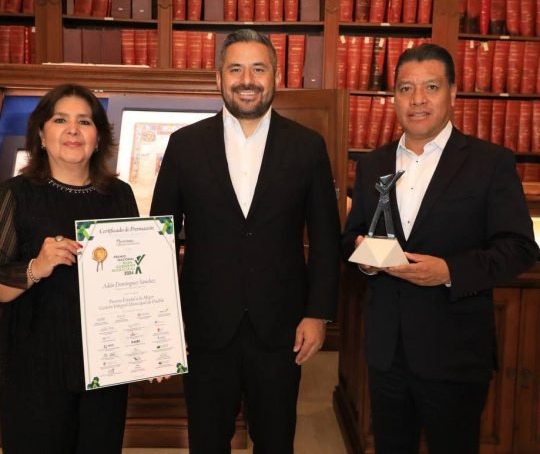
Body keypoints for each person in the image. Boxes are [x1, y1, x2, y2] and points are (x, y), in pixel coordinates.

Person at [150, 29, 340, 453]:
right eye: (236, 69)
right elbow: (161, 235)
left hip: (282, 328)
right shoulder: (185, 145)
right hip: (204, 327)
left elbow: (326, 238)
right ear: (219, 77)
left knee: (275, 441)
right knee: (207, 441)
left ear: (276, 76)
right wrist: (162, 319)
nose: (247, 80)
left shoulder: (307, 147)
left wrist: (318, 314)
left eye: (259, 68)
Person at [343, 43, 539, 454]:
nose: (417, 99)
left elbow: (520, 247)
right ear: (394, 97)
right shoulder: (372, 165)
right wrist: (365, 258)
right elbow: (354, 235)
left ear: (453, 93)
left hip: (454, 355)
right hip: (387, 353)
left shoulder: (490, 163)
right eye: (405, 88)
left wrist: (450, 271)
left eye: (430, 87)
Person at [0, 84, 139, 453]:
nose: (73, 130)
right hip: (35, 366)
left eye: (85, 122)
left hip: (105, 365)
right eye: (60, 120)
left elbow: (135, 280)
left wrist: (151, 344)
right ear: (41, 134)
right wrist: (36, 267)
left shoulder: (120, 195)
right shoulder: (15, 194)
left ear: (99, 137)